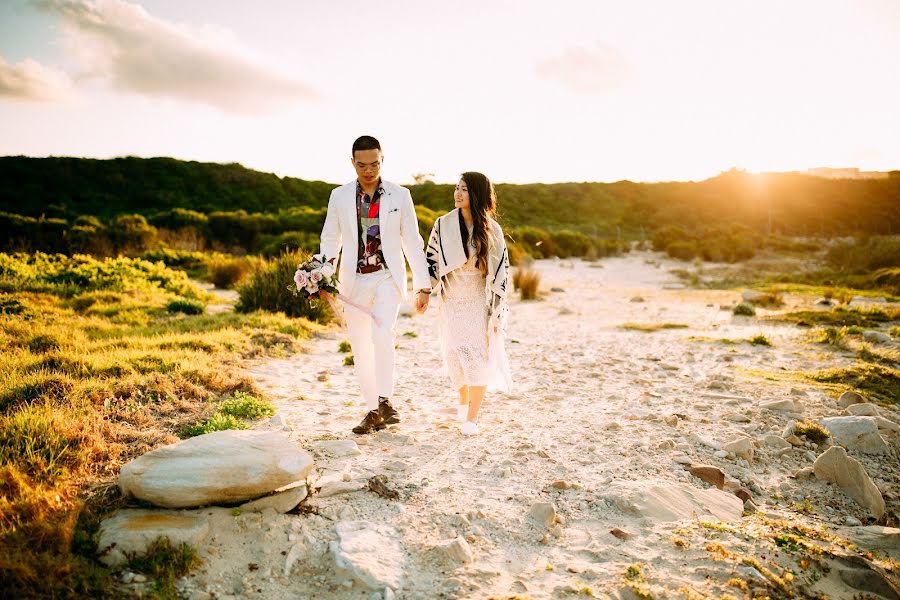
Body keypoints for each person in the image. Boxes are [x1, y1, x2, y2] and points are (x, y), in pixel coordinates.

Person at [319, 135, 431, 434]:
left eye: (374, 164)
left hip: (386, 277)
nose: (368, 171)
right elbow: (331, 239)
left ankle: (385, 399)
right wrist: (322, 274)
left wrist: (423, 285)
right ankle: (372, 411)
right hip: (352, 281)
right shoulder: (339, 196)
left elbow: (412, 241)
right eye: (361, 165)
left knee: (383, 334)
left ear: (383, 160)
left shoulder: (400, 195)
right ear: (352, 162)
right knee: (360, 347)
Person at [425, 172, 511, 435]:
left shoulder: (490, 229)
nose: (458, 194)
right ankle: (463, 403)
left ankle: (472, 418)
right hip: (450, 298)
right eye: (456, 188)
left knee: (475, 355)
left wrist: (496, 312)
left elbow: (501, 272)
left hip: (477, 299)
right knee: (453, 355)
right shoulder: (442, 224)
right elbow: (431, 260)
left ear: (476, 194)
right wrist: (424, 292)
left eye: (464, 189)